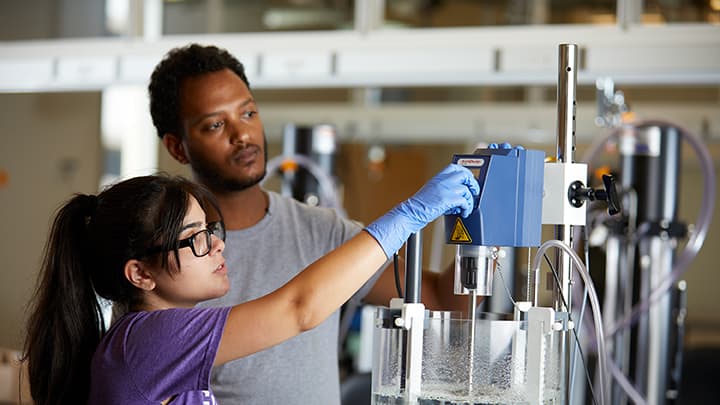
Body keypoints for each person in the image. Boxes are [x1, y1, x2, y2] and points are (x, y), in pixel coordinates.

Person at [148, 43, 503, 403]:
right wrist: (410, 214)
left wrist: (494, 223)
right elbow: (298, 309)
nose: (242, 135)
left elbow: (442, 301)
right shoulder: (175, 264)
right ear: (178, 148)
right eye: (215, 125)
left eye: (248, 113)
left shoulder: (324, 231)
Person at [21, 167, 479, 405]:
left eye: (211, 231)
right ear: (140, 274)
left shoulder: (146, 340)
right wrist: (410, 215)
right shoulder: (147, 340)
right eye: (196, 240)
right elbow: (299, 308)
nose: (219, 247)